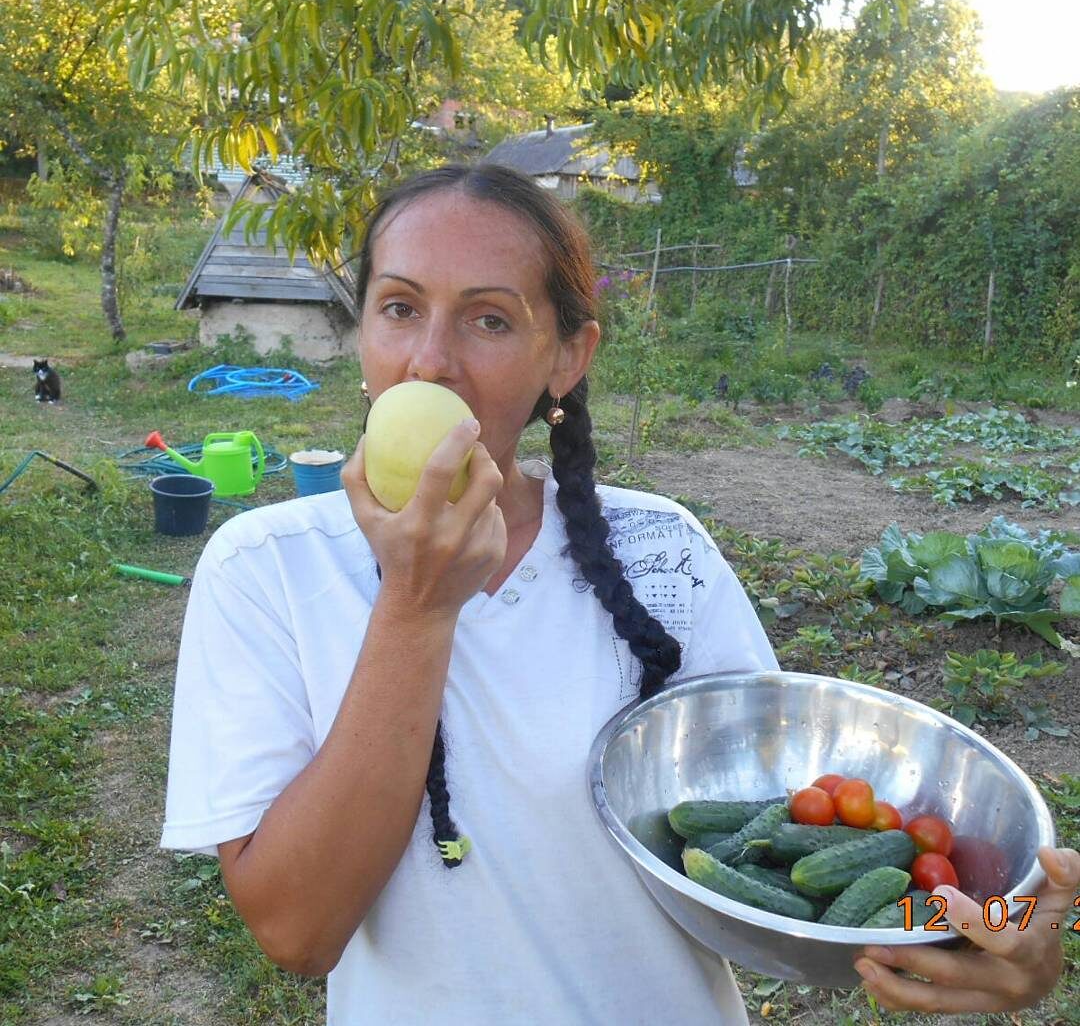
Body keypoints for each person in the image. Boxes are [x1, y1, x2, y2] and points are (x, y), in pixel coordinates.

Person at [161, 163, 1079, 1023]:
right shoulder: (263, 570)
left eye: (489, 320)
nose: (429, 363)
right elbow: (297, 932)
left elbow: (774, 868)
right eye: (399, 308)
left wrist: (975, 930)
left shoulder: (662, 556)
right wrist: (417, 606)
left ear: (565, 359)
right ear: (361, 333)